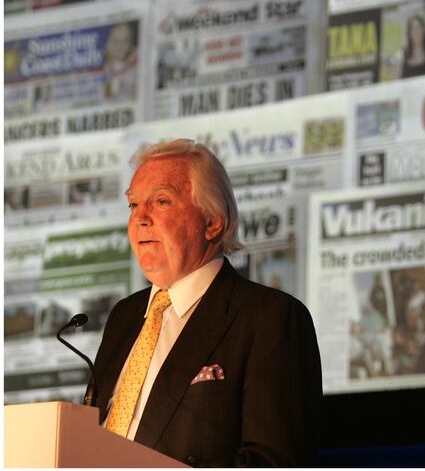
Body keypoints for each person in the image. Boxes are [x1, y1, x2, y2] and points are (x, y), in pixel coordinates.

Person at [92, 139, 322, 467]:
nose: (140, 218)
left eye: (161, 201)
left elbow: (273, 460)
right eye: (133, 204)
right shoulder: (124, 317)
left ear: (212, 221)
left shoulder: (269, 318)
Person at [104, 22, 138, 101]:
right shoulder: (107, 66)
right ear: (109, 43)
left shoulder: (135, 64)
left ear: (130, 43)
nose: (120, 46)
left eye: (125, 41)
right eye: (116, 41)